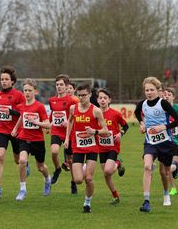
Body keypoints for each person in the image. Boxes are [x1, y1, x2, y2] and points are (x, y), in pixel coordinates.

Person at [138, 77, 178, 213]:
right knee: (147, 166)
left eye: (151, 90)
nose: (149, 93)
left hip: (165, 143)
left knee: (164, 172)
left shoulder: (163, 104)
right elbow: (137, 113)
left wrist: (163, 127)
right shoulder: (142, 104)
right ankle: (146, 201)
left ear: (158, 90)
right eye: (146, 90)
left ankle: (166, 193)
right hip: (150, 142)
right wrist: (142, 123)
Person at [64, 83, 108, 213]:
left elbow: (105, 130)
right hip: (77, 147)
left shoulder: (96, 110)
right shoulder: (73, 108)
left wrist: (94, 131)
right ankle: (83, 167)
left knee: (88, 178)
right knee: (78, 180)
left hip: (92, 148)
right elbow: (70, 121)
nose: (82, 98)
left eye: (84, 95)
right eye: (80, 95)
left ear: (90, 95)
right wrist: (67, 138)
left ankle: (87, 202)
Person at [11, 79, 52, 200]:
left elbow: (48, 124)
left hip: (38, 140)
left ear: (35, 91)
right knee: (22, 161)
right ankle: (22, 189)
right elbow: (22, 117)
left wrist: (36, 122)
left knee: (40, 167)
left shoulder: (39, 107)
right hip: (24, 138)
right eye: (25, 90)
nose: (27, 93)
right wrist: (16, 128)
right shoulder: (22, 106)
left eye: (29, 90)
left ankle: (47, 179)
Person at [0, 66, 26, 198]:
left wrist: (11, 112)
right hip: (3, 131)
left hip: (16, 132)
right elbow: (2, 112)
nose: (3, 81)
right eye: (1, 79)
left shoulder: (19, 96)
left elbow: (23, 113)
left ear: (12, 81)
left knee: (18, 160)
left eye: (6, 79)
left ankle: (24, 165)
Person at [96, 88, 128, 204]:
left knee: (108, 171)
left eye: (105, 98)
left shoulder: (115, 114)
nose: (103, 100)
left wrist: (121, 133)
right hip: (100, 147)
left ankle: (118, 162)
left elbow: (126, 126)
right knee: (106, 174)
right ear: (97, 100)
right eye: (100, 98)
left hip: (113, 146)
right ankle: (115, 196)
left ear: (109, 100)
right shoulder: (95, 113)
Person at [48, 74, 77, 191]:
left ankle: (73, 182)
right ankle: (57, 169)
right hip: (56, 131)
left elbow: (76, 117)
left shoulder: (72, 101)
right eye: (57, 85)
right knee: (54, 151)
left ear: (66, 86)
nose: (59, 87)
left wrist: (68, 122)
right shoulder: (52, 100)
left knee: (70, 160)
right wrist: (49, 123)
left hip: (69, 133)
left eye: (61, 85)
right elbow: (53, 113)